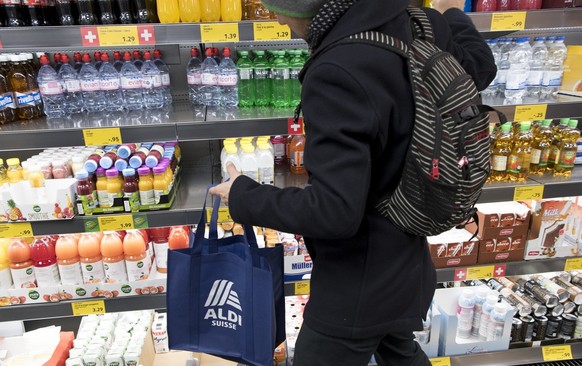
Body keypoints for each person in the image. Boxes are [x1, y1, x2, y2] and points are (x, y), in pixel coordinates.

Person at [210, 0, 496, 364]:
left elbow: (335, 211)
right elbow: (481, 65)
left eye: (277, 10)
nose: (277, 19)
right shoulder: (416, 22)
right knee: (398, 350)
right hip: (407, 262)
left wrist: (244, 195)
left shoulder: (337, 69)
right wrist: (452, 13)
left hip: (356, 286)